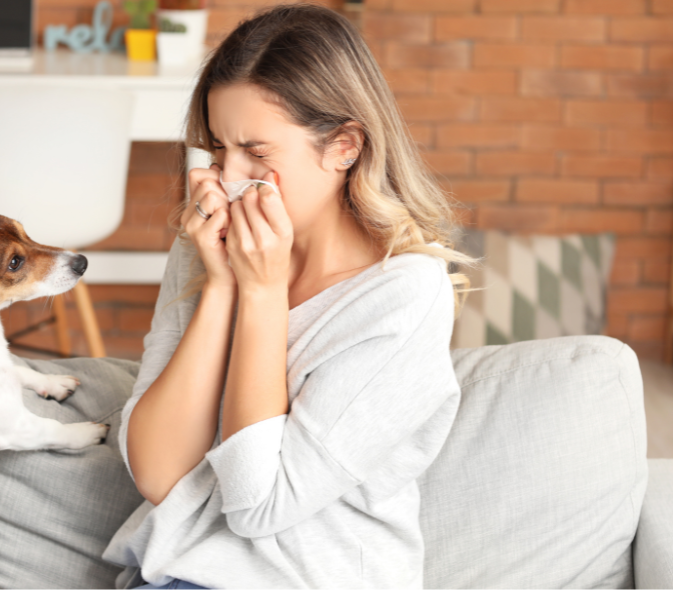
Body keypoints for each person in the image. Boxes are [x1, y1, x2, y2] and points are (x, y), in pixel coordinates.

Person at [102, 4, 479, 588]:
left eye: (257, 152)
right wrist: (224, 283)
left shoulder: (402, 296)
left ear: (344, 147)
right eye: (219, 149)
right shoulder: (206, 246)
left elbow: (259, 506)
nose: (228, 179)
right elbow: (156, 471)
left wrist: (263, 291)